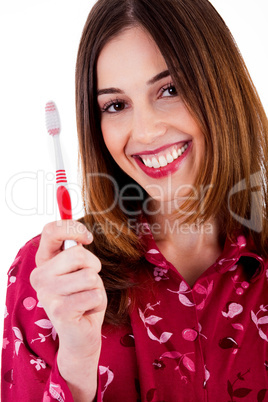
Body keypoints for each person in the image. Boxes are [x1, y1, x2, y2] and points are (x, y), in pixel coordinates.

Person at [2, 0, 268, 400]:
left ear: (222, 88)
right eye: (116, 105)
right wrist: (76, 362)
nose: (144, 132)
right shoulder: (52, 279)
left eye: (170, 89)